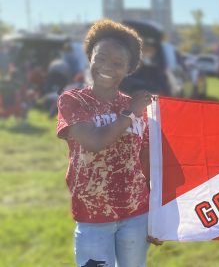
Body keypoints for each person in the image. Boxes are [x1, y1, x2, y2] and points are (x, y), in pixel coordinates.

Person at [56, 19, 160, 267]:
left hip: (136, 215)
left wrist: (157, 216)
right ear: (89, 57)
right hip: (93, 217)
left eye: (117, 63)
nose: (107, 67)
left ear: (129, 69)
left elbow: (146, 162)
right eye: (100, 58)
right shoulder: (73, 101)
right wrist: (130, 113)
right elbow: (93, 142)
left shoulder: (139, 108)